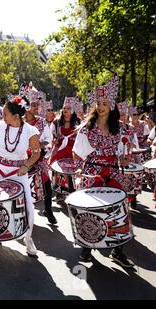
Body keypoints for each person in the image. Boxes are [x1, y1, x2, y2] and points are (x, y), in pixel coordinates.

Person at [73, 75, 134, 269]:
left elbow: (125, 154)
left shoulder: (120, 129)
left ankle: (118, 251)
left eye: (105, 103)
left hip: (114, 172)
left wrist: (124, 158)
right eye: (98, 103)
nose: (100, 107)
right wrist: (80, 170)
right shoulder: (86, 128)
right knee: (91, 209)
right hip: (93, 173)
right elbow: (76, 153)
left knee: (118, 210)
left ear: (111, 106)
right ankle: (86, 248)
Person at [0, 96, 41, 256]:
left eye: (5, 114)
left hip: (18, 172)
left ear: (16, 116)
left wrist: (26, 165)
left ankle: (28, 239)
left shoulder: (31, 131)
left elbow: (36, 154)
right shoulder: (1, 125)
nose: (2, 117)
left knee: (28, 206)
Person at [24, 87, 56, 224]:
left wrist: (38, 145)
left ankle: (48, 210)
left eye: (37, 104)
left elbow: (48, 139)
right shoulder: (19, 122)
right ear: (25, 106)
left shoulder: (42, 122)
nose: (36, 107)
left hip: (38, 158)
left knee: (47, 185)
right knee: (23, 187)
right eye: (33, 105)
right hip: (22, 160)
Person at [50, 97, 81, 164]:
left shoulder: (78, 123)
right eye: (64, 108)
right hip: (59, 151)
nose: (65, 110)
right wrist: (54, 140)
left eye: (68, 108)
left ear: (73, 111)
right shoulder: (56, 123)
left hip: (73, 153)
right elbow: (50, 136)